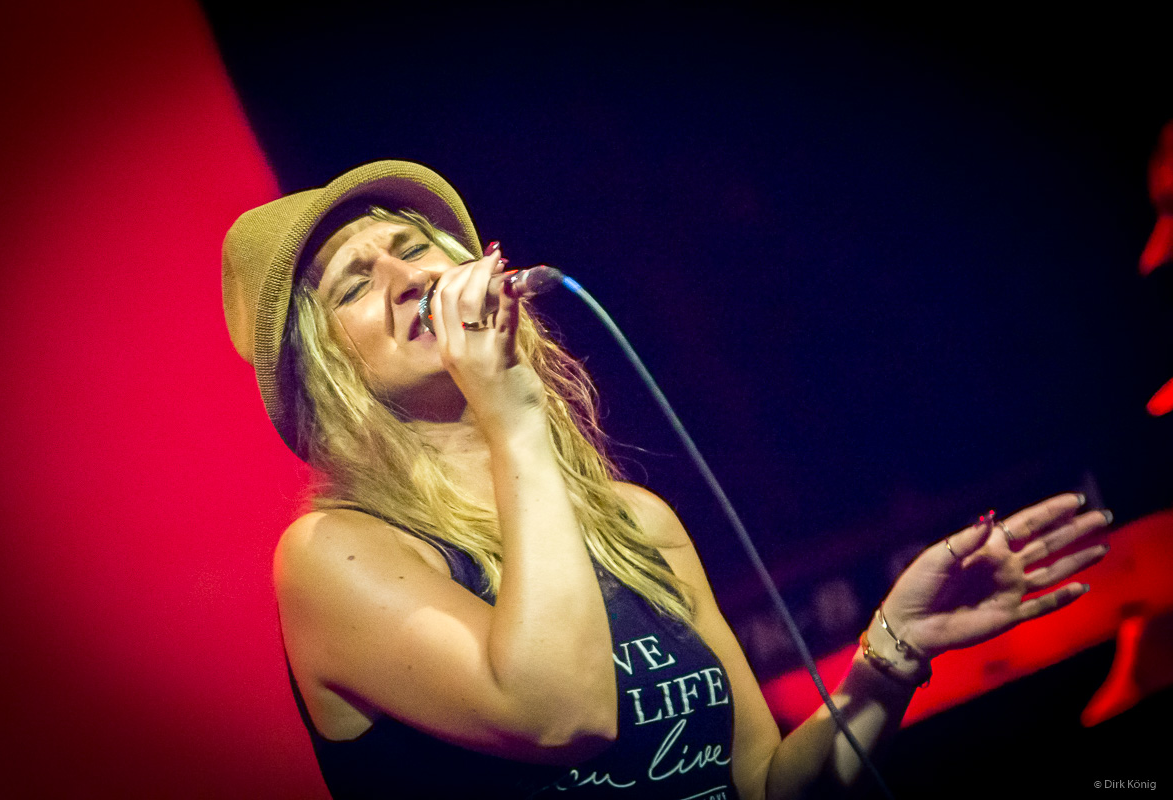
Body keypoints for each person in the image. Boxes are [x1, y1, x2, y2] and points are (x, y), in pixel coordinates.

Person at [222, 160, 1112, 799]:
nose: (408, 277)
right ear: (324, 371)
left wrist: (890, 656)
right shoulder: (332, 555)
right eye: (355, 284)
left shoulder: (634, 523)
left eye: (414, 246)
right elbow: (559, 715)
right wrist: (511, 414)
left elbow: (761, 784)